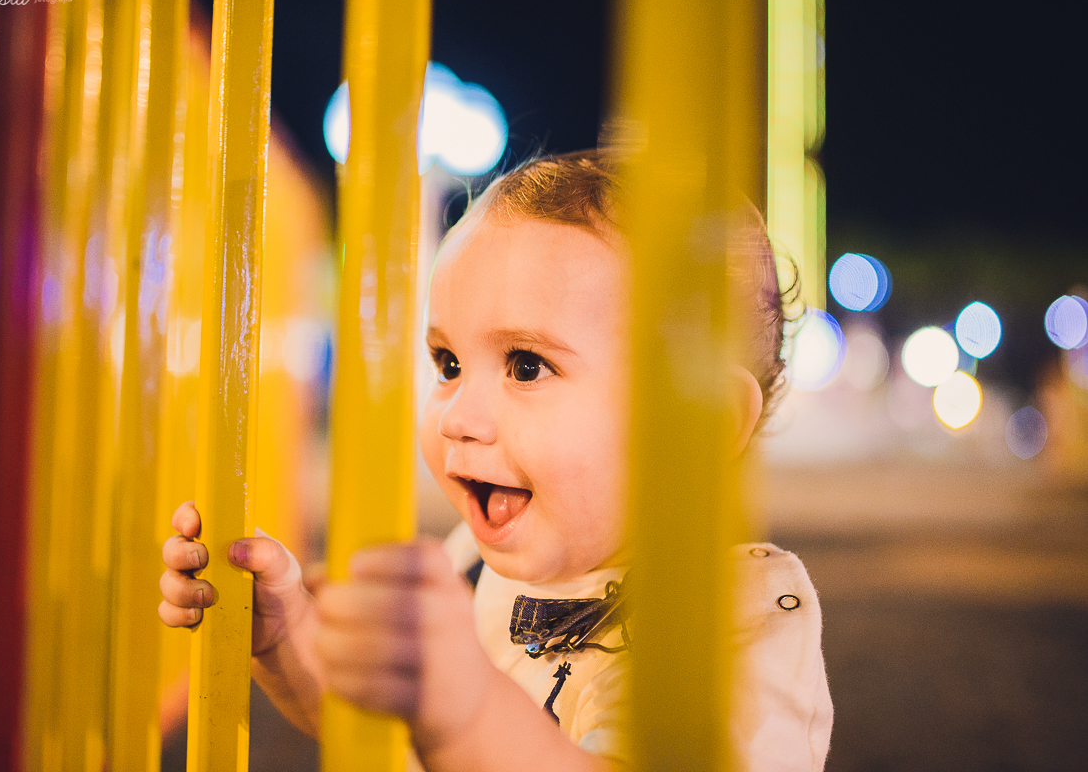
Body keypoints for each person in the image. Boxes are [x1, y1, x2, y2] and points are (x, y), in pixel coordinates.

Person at [158, 150, 833, 771]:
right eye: (448, 363)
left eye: (526, 365)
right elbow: (377, 731)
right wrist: (288, 641)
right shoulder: (475, 566)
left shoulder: (736, 630)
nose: (457, 416)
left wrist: (472, 711)